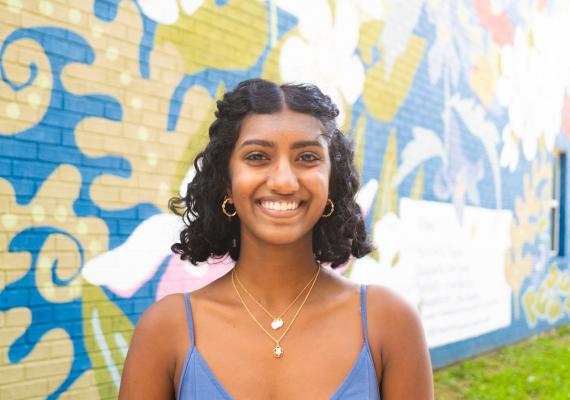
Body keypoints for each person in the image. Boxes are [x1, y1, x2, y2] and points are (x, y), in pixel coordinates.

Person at [119, 79, 434, 399]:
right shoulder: (166, 329)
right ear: (227, 183)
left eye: (308, 157)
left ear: (331, 183)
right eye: (257, 156)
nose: (284, 181)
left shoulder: (389, 322)